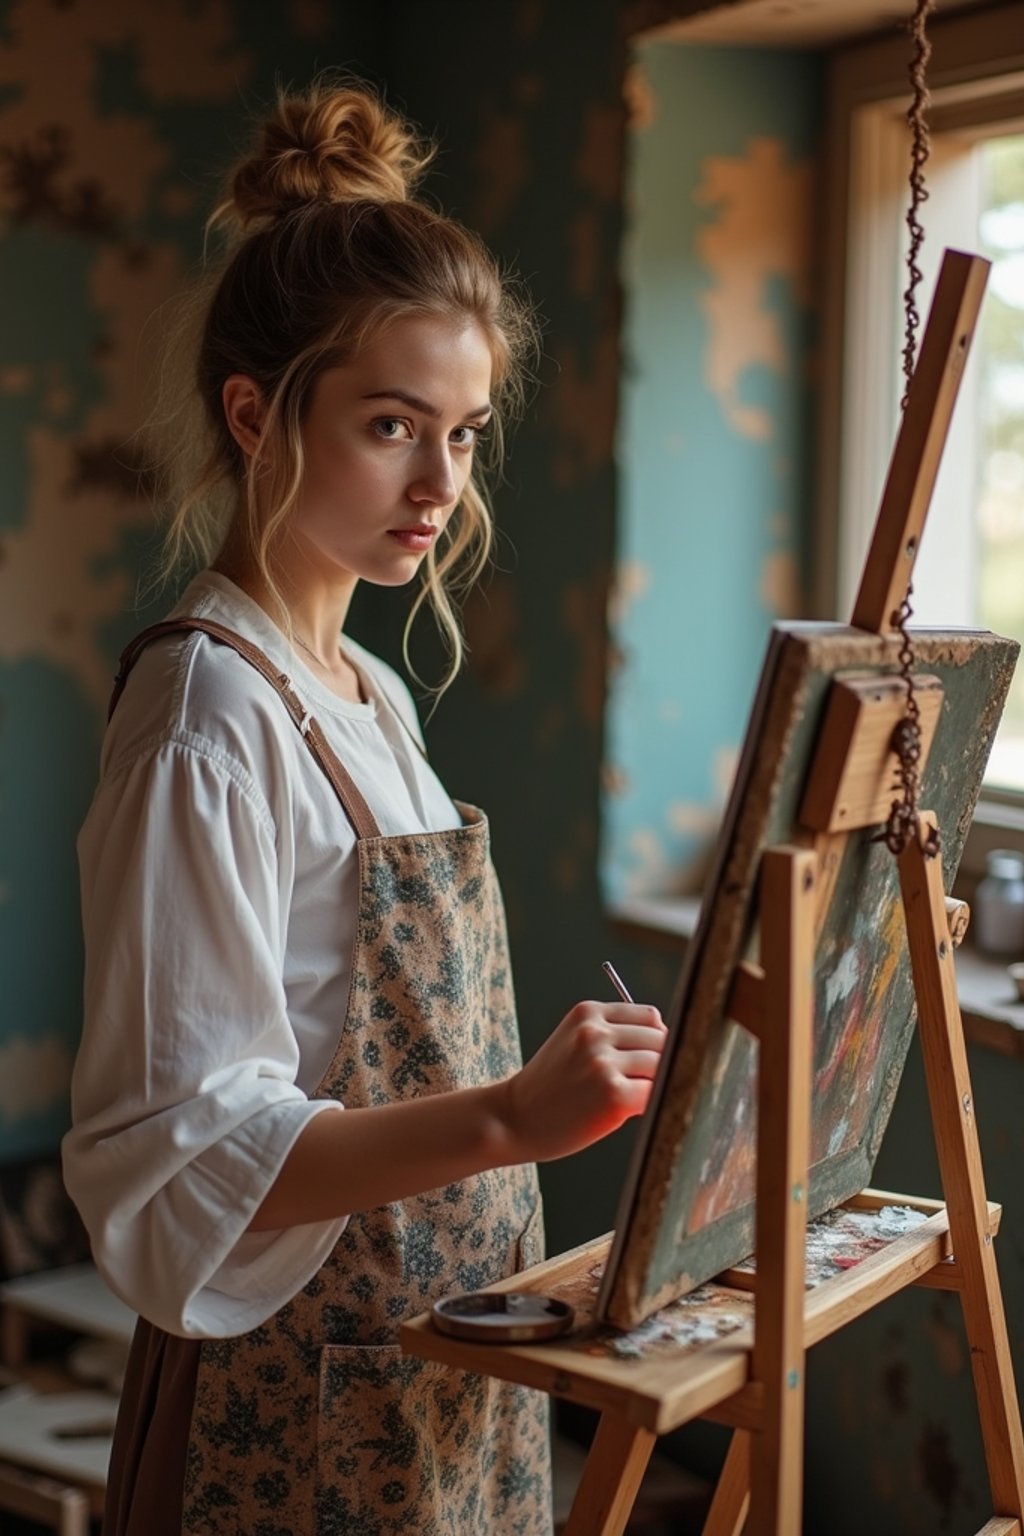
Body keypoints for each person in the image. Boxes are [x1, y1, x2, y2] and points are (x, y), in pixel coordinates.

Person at [62, 81, 667, 1536]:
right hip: (296, 1411)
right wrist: (513, 1113)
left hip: (437, 1378)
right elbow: (191, 1150)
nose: (439, 484)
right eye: (393, 425)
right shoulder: (209, 721)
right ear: (256, 413)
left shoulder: (372, 695)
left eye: (461, 435)